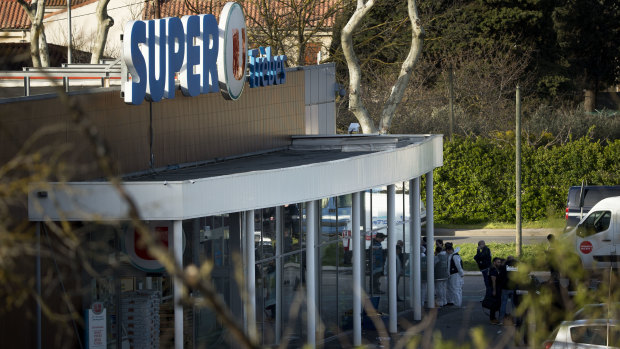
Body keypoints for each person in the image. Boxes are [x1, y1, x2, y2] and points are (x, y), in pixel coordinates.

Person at [498, 256, 517, 325]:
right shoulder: (517, 266)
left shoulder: (504, 266)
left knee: (503, 304)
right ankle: (515, 321)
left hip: (505, 288)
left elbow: (500, 277)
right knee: (514, 305)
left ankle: (501, 320)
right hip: (514, 287)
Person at [488, 257, 503, 324]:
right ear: (494, 262)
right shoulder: (493, 270)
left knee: (497, 303)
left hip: (497, 288)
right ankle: (492, 318)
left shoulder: (496, 269)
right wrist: (494, 290)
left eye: (500, 262)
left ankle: (495, 318)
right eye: (498, 262)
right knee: (494, 304)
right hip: (495, 288)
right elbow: (493, 280)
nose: (499, 263)